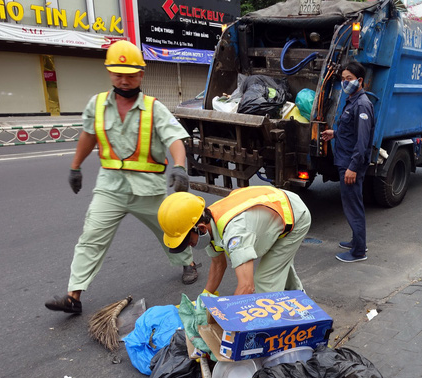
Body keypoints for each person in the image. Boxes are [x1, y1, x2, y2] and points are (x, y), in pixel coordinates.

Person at [45, 40, 196, 314]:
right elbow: (89, 135)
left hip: (147, 190)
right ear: (109, 73)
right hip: (110, 188)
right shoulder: (98, 104)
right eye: (118, 74)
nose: (124, 80)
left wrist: (179, 166)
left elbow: (175, 138)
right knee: (91, 237)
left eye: (130, 74)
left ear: (141, 74)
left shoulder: (153, 108)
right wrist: (75, 166)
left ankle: (188, 262)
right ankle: (73, 296)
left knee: (169, 232)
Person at [158, 186, 311, 295]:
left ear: (201, 228)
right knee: (277, 268)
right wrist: (205, 297)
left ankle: (275, 332)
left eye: (189, 241)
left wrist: (230, 320)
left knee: (265, 281)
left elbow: (247, 287)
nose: (190, 246)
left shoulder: (235, 233)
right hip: (273, 211)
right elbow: (218, 264)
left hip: (294, 216)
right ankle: (302, 305)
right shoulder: (207, 222)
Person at [320, 61, 375, 263]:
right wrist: (335, 133)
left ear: (359, 80)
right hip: (345, 159)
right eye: (343, 79)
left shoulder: (362, 104)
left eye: (349, 79)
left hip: (351, 164)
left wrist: (352, 167)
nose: (345, 82)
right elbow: (351, 130)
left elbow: (362, 141)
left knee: (353, 206)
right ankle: (356, 241)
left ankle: (359, 251)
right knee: (352, 203)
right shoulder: (353, 100)